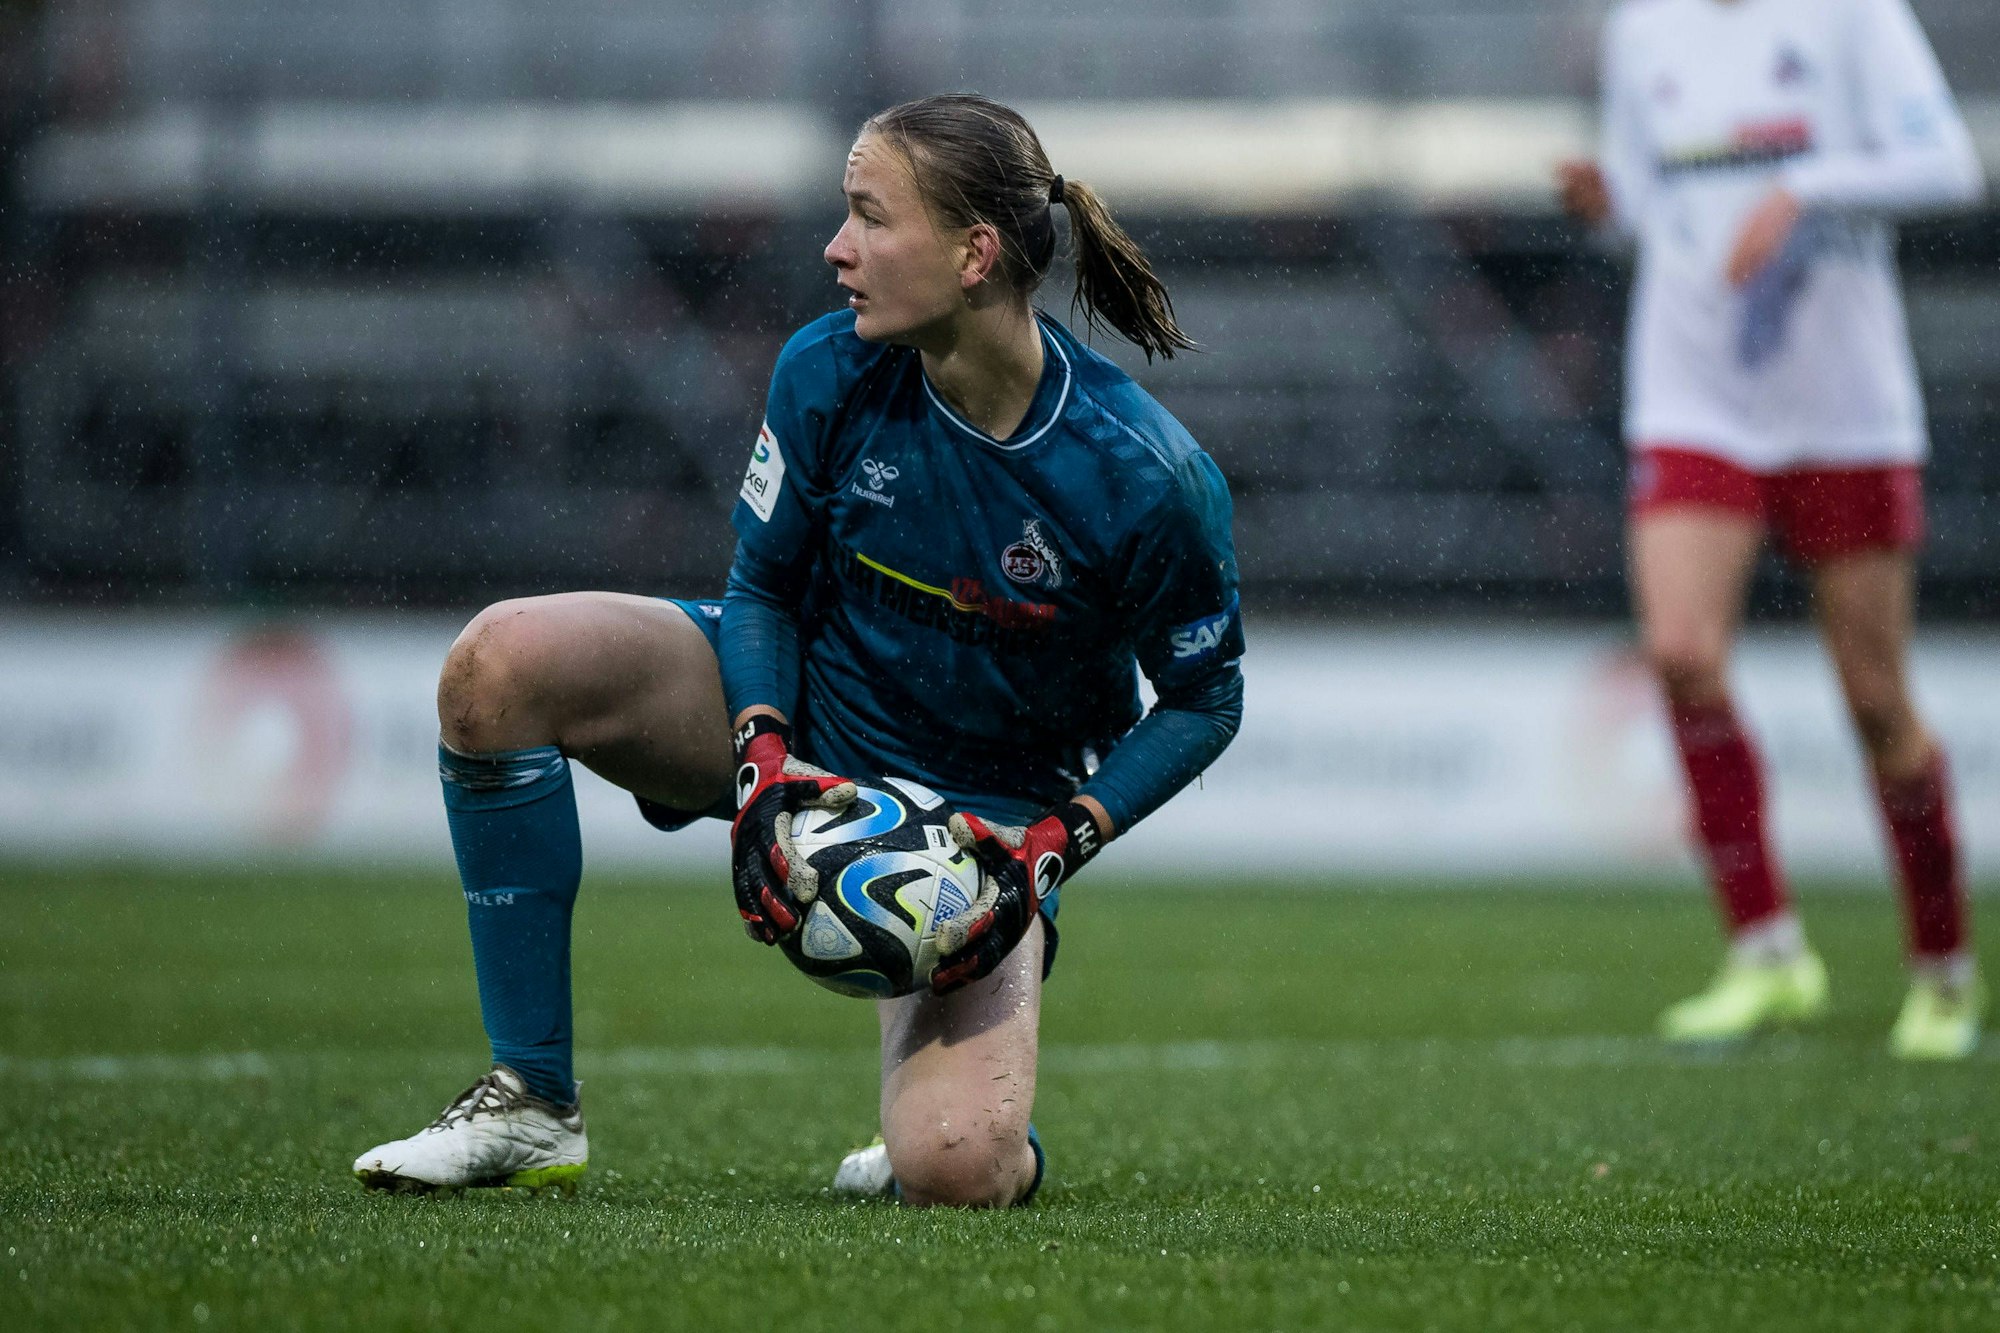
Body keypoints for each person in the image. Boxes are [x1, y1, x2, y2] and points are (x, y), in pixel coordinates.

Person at [351, 93, 1246, 1204]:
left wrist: (1054, 843)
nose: (835, 249)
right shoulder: (826, 368)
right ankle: (531, 1103)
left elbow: (1205, 697)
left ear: (973, 254)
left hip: (986, 814)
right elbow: (763, 586)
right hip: (813, 712)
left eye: (869, 218)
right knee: (498, 665)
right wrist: (763, 754)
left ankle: (984, 1139)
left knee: (952, 1168)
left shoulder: (1142, 476)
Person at [1557, 0, 1984, 1056]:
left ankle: (1941, 970)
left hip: (1840, 403)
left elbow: (1948, 166)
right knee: (1680, 653)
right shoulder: (1640, 28)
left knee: (1875, 701)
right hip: (1692, 392)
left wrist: (1804, 185)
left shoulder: (1849, 14)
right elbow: (1654, 216)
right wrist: (1608, 206)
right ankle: (1765, 951)